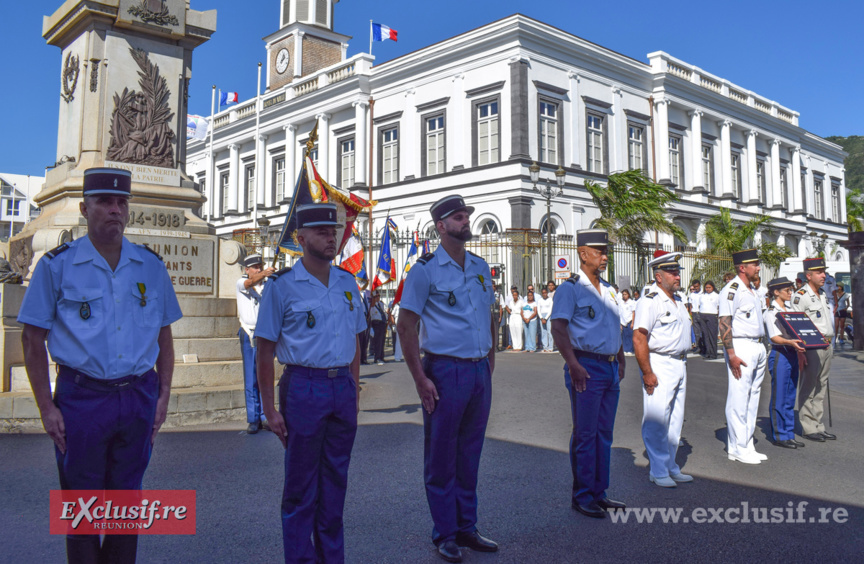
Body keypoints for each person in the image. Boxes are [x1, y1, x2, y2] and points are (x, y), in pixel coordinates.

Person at [18, 167, 182, 563]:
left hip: (137, 395)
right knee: (81, 508)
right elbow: (31, 338)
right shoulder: (57, 266)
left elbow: (164, 337)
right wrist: (47, 408)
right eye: (104, 202)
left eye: (120, 203)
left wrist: (163, 397)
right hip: (82, 399)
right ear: (84, 208)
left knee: (127, 508)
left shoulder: (150, 267)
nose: (113, 210)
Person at [255, 203, 366, 564]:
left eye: (333, 231)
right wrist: (269, 409)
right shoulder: (282, 286)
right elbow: (264, 349)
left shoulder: (348, 282)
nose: (331, 237)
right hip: (304, 386)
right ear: (301, 239)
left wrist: (354, 387)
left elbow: (354, 341)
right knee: (301, 488)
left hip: (341, 389)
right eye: (321, 232)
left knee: (335, 485)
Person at [397, 194, 499, 563]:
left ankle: (467, 527)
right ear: (440, 226)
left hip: (476, 371)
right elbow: (405, 326)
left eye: (466, 216)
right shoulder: (424, 270)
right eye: (458, 217)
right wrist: (420, 378)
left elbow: (488, 313)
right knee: (442, 456)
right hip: (444, 369)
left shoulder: (480, 266)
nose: (465, 221)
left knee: (470, 454)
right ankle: (446, 533)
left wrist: (490, 358)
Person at [550, 229, 626, 519]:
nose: (605, 257)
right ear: (583, 253)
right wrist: (573, 364)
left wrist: (619, 357)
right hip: (586, 365)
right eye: (600, 251)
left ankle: (599, 492)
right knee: (585, 434)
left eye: (606, 252)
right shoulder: (571, 288)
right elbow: (558, 328)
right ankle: (582, 496)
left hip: (608, 365)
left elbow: (612, 327)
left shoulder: (608, 289)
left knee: (604, 433)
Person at [633, 251, 692, 488]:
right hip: (659, 362)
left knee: (675, 419)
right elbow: (639, 338)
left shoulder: (677, 301)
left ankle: (670, 466)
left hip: (680, 362)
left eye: (678, 272)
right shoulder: (650, 300)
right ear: (658, 276)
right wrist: (647, 372)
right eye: (672, 272)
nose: (677, 276)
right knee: (657, 418)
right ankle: (657, 470)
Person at [719, 249, 768, 465]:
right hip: (741, 346)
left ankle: (747, 444)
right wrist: (731, 354)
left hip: (757, 345)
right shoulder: (732, 290)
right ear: (742, 267)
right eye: (755, 264)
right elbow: (724, 323)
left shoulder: (753, 290)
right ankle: (737, 447)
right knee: (739, 397)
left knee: (752, 397)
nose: (758, 268)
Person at [790, 257, 836, 442]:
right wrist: (800, 351)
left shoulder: (823, 294)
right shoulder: (800, 296)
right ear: (809, 275)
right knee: (809, 385)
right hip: (811, 346)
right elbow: (795, 326)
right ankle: (808, 426)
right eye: (819, 272)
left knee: (821, 385)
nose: (824, 275)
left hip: (827, 344)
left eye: (823, 272)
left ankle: (818, 423)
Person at [764, 277, 806, 449]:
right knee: (779, 395)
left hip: (792, 352)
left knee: (790, 394)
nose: (791, 292)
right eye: (787, 290)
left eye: (791, 289)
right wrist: (790, 343)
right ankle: (780, 435)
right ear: (776, 292)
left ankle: (789, 432)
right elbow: (774, 337)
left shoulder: (789, 309)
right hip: (781, 352)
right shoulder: (771, 312)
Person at [236, 253, 275, 434]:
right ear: (247, 269)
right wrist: (264, 274)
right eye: (255, 267)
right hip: (248, 332)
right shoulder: (241, 282)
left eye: (260, 266)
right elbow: (247, 284)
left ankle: (265, 416)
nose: (258, 269)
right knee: (251, 378)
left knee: (264, 377)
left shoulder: (266, 286)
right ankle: (253, 418)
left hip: (264, 334)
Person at [699, 281, 720, 360]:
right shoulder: (702, 296)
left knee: (712, 335)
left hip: (712, 315)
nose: (707, 289)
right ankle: (708, 352)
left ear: (713, 287)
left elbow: (719, 306)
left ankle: (713, 353)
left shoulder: (716, 296)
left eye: (709, 287)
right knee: (705, 335)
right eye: (706, 288)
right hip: (703, 314)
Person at [369, 290, 387, 365]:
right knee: (378, 342)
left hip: (382, 324)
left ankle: (381, 357)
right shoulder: (372, 306)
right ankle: (377, 358)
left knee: (382, 341)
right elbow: (370, 315)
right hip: (376, 324)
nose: (378, 297)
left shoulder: (381, 304)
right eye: (376, 296)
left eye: (379, 296)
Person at [687, 280, 704, 355]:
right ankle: (698, 347)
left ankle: (705, 347)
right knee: (696, 332)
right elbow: (690, 305)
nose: (696, 288)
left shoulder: (703, 294)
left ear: (700, 285)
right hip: (694, 313)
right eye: (694, 287)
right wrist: (690, 314)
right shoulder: (692, 295)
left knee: (703, 331)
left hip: (701, 313)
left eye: (697, 286)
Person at [618, 289, 636, 356]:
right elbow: (620, 313)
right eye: (623, 294)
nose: (624, 296)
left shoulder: (631, 302)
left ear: (628, 295)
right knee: (624, 336)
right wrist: (620, 323)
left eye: (625, 294)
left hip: (629, 321)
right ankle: (625, 349)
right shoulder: (621, 303)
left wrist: (633, 323)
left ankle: (630, 350)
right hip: (623, 321)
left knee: (630, 335)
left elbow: (633, 312)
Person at [537, 287, 555, 353]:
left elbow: (550, 309)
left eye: (545, 293)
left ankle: (550, 347)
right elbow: (538, 309)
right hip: (542, 316)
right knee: (543, 332)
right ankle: (545, 347)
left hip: (548, 316)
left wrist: (546, 318)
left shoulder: (550, 300)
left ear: (547, 293)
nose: (544, 294)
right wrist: (541, 318)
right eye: (543, 293)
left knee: (549, 332)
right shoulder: (540, 300)